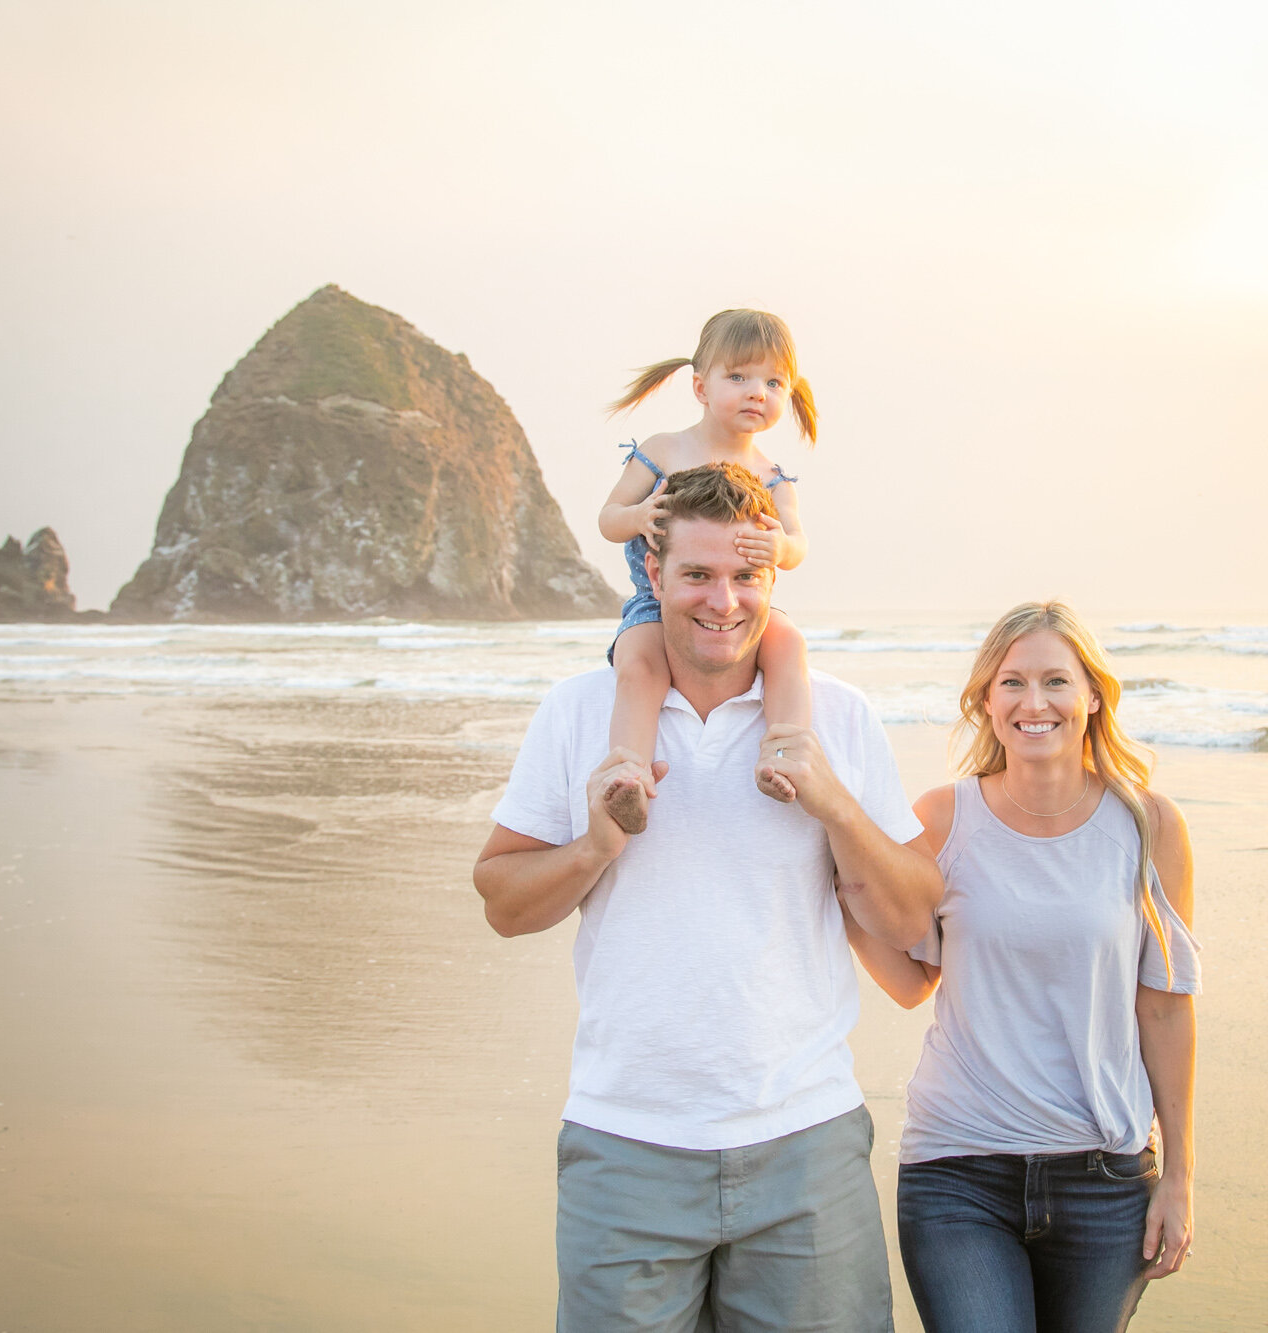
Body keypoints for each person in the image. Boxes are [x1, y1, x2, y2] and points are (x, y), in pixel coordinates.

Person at [474, 462, 942, 1332]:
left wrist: (832, 800)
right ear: (653, 577)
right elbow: (503, 899)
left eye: (743, 576)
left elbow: (916, 922)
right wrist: (595, 847)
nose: (722, 601)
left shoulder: (836, 716)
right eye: (696, 575)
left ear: (772, 579)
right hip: (626, 1142)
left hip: (805, 1143)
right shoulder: (580, 712)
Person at [844, 601, 1201, 1333]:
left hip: (1106, 1179)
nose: (1033, 703)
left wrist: (1182, 1180)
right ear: (985, 698)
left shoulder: (1149, 825)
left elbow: (1164, 1007)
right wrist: (845, 878)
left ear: (1093, 695)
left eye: (1055, 681)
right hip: (959, 1173)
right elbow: (912, 981)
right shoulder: (942, 819)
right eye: (1012, 682)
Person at [594, 309, 816, 834]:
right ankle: (627, 774)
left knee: (788, 644)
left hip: (741, 603)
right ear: (700, 386)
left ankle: (783, 754)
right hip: (661, 602)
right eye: (738, 377)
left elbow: (799, 546)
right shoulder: (663, 450)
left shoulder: (773, 477)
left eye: (773, 381)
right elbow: (608, 519)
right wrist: (639, 516)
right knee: (641, 664)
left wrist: (778, 545)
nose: (757, 392)